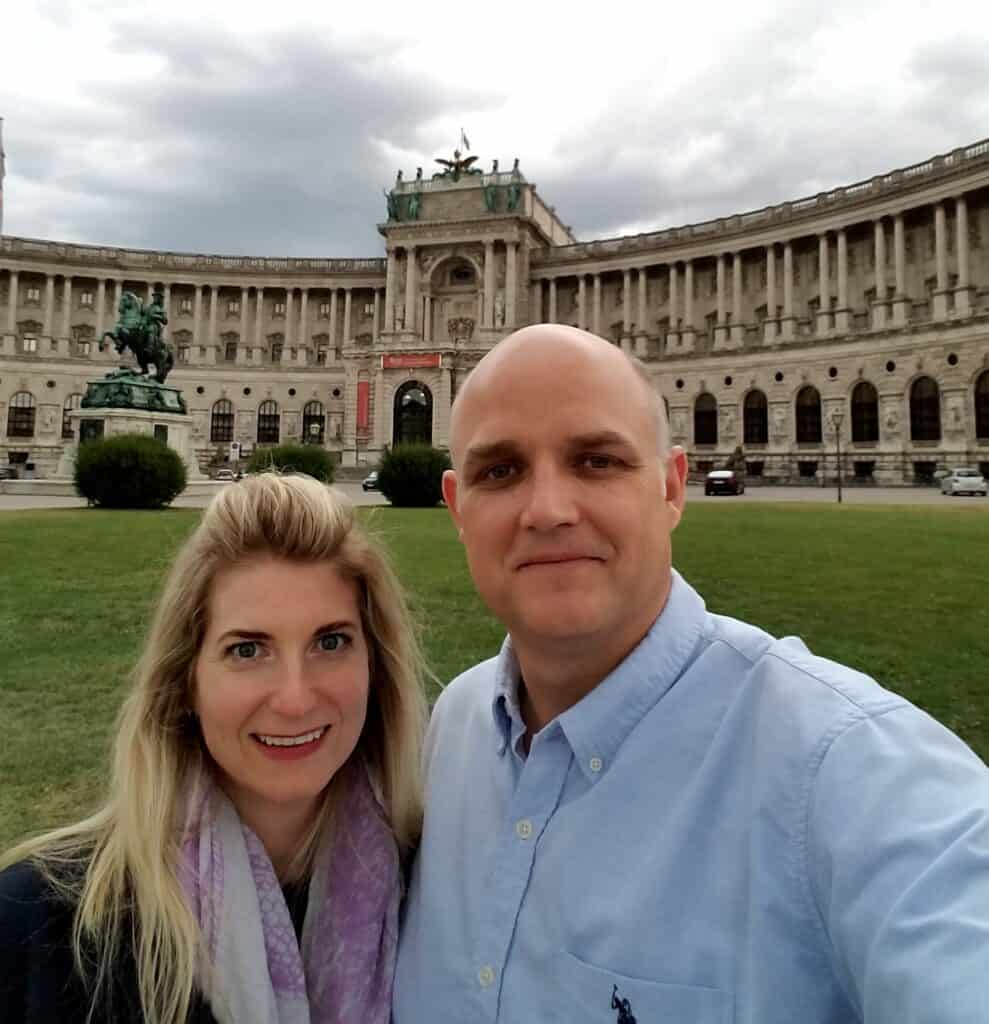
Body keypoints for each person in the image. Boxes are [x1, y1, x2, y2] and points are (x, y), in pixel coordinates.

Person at [393, 324, 989, 1023]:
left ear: (673, 488)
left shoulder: (848, 774)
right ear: (458, 507)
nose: (548, 511)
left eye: (595, 461)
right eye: (500, 471)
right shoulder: (452, 727)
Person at [0, 473, 428, 1023]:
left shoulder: (436, 898)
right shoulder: (35, 928)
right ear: (185, 682)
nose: (295, 700)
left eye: (331, 642)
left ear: (375, 667)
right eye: (248, 649)